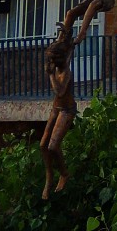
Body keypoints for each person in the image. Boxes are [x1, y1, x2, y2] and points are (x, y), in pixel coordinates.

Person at [41, 27, 76, 200]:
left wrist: (50, 75)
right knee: (42, 145)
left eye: (53, 59)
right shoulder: (63, 58)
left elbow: (60, 91)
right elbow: (67, 45)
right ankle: (49, 178)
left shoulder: (65, 72)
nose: (51, 62)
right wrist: (65, 33)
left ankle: (64, 173)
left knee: (53, 146)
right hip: (56, 108)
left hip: (67, 110)